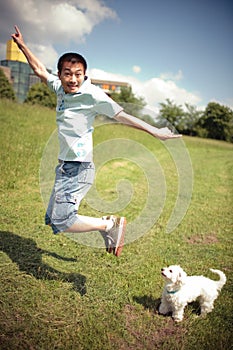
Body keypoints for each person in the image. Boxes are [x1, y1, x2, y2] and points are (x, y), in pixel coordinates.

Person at [11, 25, 181, 257]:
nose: (73, 79)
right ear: (60, 74)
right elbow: (40, 70)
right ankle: (108, 226)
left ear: (84, 74)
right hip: (64, 166)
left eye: (78, 73)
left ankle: (109, 225)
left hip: (79, 167)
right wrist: (22, 46)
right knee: (53, 219)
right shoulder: (59, 88)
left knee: (63, 220)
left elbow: (123, 116)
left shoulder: (93, 95)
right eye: (68, 73)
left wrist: (155, 131)